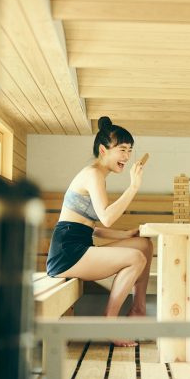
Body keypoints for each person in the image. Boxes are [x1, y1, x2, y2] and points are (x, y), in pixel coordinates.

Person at [46, 116, 153, 346]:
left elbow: (90, 226)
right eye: (122, 149)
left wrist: (124, 235)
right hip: (67, 254)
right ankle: (109, 322)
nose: (127, 156)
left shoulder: (97, 175)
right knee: (136, 258)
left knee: (143, 244)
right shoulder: (93, 174)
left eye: (130, 150)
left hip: (80, 245)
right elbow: (106, 218)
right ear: (103, 150)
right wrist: (133, 187)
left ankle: (138, 310)